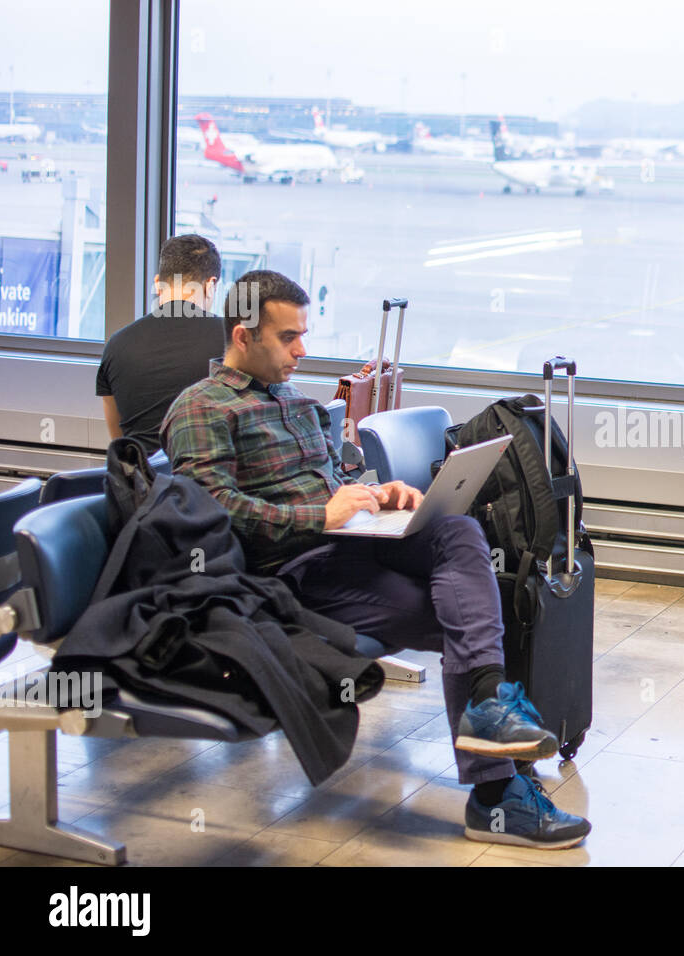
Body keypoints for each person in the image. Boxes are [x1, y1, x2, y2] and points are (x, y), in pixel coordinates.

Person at [160, 270, 590, 849]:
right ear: (243, 336)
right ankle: (494, 795)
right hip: (290, 574)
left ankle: (487, 712)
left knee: (457, 530)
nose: (302, 349)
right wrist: (321, 517)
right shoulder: (202, 408)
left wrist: (376, 494)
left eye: (302, 335)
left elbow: (332, 480)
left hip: (350, 543)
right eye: (288, 337)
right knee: (464, 614)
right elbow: (207, 510)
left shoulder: (292, 402)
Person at [96, 235, 227, 454]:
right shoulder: (234, 341)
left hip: (142, 483)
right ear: (210, 285)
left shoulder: (116, 345)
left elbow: (119, 441)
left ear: (158, 284)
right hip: (208, 484)